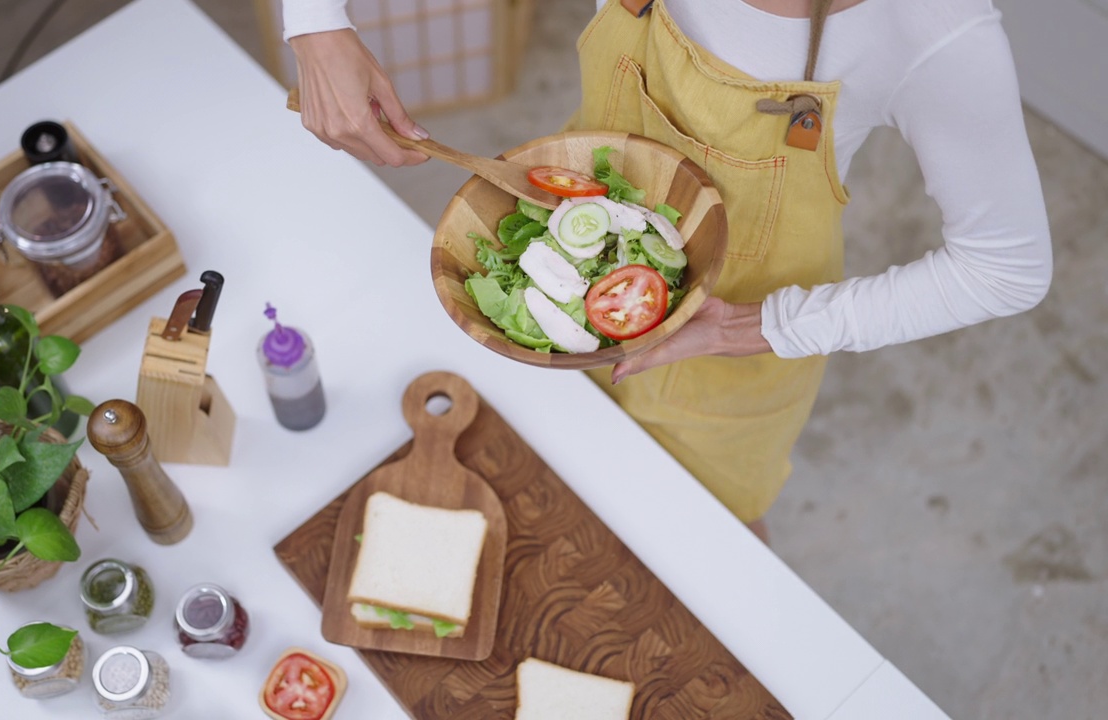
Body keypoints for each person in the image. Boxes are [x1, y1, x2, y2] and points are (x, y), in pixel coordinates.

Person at [282, 0, 1052, 541]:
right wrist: (317, 25)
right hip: (563, 294)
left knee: (713, 539)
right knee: (551, 492)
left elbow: (1007, 266)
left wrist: (768, 326)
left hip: (732, 369)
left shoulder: (936, 29)